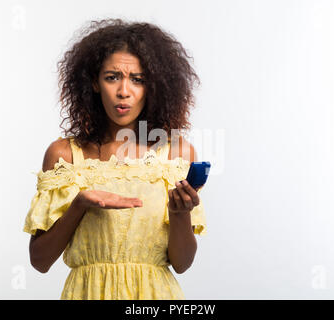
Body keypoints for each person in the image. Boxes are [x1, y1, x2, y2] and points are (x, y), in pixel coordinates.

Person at [23, 18, 207, 300]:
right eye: (112, 77)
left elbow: (182, 264)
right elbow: (39, 261)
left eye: (138, 80)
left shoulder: (175, 154)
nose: (124, 91)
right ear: (94, 83)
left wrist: (179, 214)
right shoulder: (64, 155)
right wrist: (80, 204)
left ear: (152, 87)